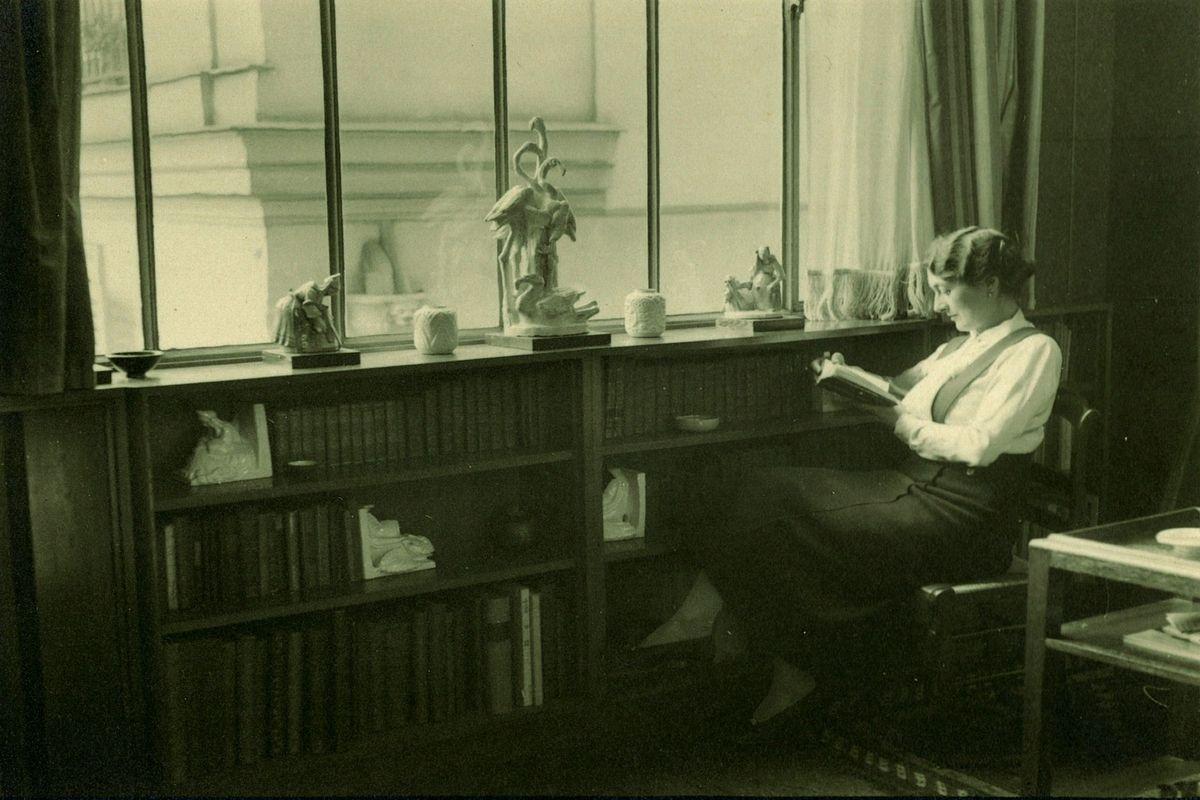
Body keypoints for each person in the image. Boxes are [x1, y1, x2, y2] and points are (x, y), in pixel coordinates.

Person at [641, 226, 1062, 730]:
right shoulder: (961, 346)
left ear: (991, 285)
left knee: (770, 503)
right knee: (739, 484)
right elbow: (900, 389)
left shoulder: (1034, 352)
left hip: (964, 516)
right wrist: (850, 377)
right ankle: (765, 645)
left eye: (945, 290)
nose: (938, 304)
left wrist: (902, 424)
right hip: (913, 484)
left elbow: (979, 444)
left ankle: (782, 655)